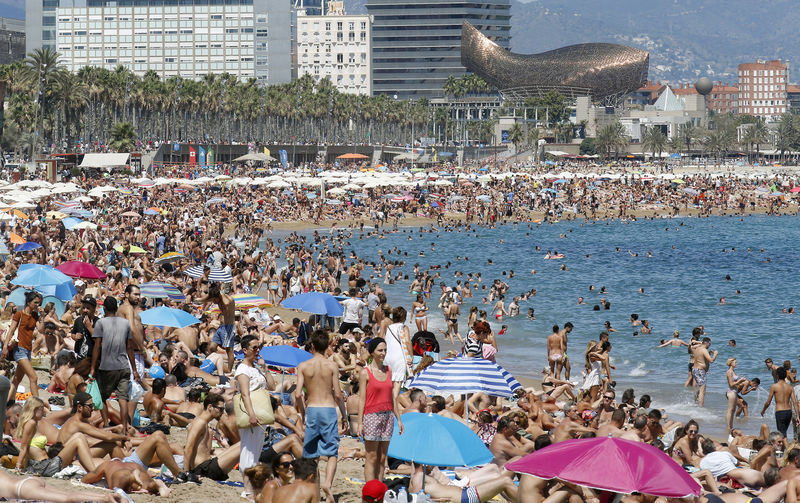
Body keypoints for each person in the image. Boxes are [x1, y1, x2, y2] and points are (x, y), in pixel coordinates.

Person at [295, 329, 344, 502]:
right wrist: (343, 415)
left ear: (313, 346)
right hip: (328, 409)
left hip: (312, 409)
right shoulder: (332, 366)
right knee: (331, 453)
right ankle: (328, 484)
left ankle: (314, 493)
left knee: (311, 454)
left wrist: (302, 413)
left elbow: (298, 394)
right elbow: (338, 394)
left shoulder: (303, 366)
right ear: (327, 346)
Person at [356, 337, 404, 482]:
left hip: (388, 417)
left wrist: (399, 419)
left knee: (383, 457)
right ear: (372, 352)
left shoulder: (389, 370)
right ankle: (371, 489)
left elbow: (392, 398)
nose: (383, 353)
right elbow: (362, 399)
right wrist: (360, 422)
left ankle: (379, 487)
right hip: (371, 417)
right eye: (380, 350)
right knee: (371, 456)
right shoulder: (365, 372)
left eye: (385, 350)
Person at [90, 296, 139, 433]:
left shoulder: (100, 323)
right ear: (116, 308)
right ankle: (124, 427)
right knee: (123, 399)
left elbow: (97, 346)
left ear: (104, 308)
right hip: (124, 366)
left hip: (107, 366)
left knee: (103, 397)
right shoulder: (125, 324)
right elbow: (130, 347)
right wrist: (134, 369)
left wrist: (93, 367)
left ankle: (106, 425)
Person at [235, 334, 269, 497]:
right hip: (251, 413)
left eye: (259, 347)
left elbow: (272, 385)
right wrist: (251, 414)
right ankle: (247, 490)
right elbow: (245, 394)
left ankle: (252, 489)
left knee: (255, 450)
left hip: (260, 412)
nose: (257, 350)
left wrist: (266, 368)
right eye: (254, 348)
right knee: (248, 450)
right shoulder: (242, 370)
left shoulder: (255, 368)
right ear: (244, 350)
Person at [185, 392, 241, 481]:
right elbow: (188, 448)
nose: (222, 413)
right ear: (210, 407)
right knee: (243, 444)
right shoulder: (200, 422)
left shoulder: (204, 423)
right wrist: (187, 473)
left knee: (240, 444)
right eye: (220, 409)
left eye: (223, 410)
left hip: (207, 465)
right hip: (204, 469)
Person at [1, 291, 43, 402]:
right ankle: (38, 405)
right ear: (29, 302)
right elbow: (11, 331)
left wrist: (42, 316)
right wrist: (5, 347)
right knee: (33, 377)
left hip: (28, 350)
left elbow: (41, 330)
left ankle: (6, 403)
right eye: (36, 302)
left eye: (39, 303)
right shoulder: (19, 314)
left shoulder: (35, 315)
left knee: (16, 380)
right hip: (19, 349)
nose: (38, 305)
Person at [0, 468, 125, 502]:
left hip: (22, 489)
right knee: (70, 494)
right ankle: (109, 496)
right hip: (29, 480)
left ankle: (106, 499)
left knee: (67, 499)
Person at [200, 283, 237, 372]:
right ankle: (218, 362)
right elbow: (201, 300)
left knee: (229, 350)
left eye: (214, 300)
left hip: (229, 327)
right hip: (221, 327)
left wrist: (220, 294)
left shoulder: (228, 300)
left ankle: (229, 370)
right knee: (212, 347)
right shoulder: (218, 299)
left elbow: (227, 302)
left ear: (218, 296)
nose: (213, 302)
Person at [761, 366, 800, 438]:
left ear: (777, 375)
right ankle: (783, 449)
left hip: (780, 412)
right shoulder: (790, 387)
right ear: (785, 375)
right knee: (783, 432)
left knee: (781, 434)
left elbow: (768, 402)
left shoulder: (774, 386)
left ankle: (787, 448)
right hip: (789, 412)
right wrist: (797, 416)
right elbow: (794, 402)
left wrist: (763, 410)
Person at [384, 306, 413, 392]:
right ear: (404, 317)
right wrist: (411, 356)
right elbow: (407, 342)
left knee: (389, 384)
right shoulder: (404, 327)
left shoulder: (388, 328)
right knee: (397, 386)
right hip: (399, 358)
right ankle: (395, 403)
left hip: (387, 357)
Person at [692, 337, 718, 407]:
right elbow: (711, 360)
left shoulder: (698, 348)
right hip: (700, 371)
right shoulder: (704, 350)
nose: (710, 345)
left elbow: (701, 357)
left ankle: (695, 403)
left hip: (695, 369)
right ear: (707, 343)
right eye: (710, 344)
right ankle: (700, 407)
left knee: (699, 389)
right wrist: (715, 354)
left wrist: (709, 353)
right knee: (702, 390)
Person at [725, 358, 747, 433]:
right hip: (731, 392)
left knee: (733, 410)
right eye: (735, 362)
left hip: (734, 391)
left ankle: (731, 426)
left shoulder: (733, 371)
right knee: (730, 410)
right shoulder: (729, 372)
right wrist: (740, 380)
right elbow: (731, 384)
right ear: (731, 363)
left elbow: (735, 383)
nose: (736, 363)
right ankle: (728, 426)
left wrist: (741, 382)